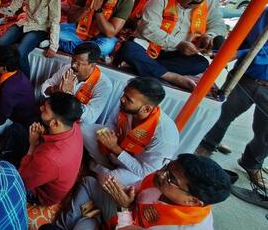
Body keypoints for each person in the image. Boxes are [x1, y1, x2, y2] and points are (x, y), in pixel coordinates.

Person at [46, 154, 231, 229]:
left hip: (125, 222)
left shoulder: (187, 226)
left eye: (171, 178)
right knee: (89, 182)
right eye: (166, 166)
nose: (160, 173)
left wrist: (123, 208)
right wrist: (125, 199)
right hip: (124, 215)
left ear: (192, 201)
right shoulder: (159, 180)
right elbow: (132, 194)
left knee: (84, 225)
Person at [120, 0, 227, 91]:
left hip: (176, 55)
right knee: (129, 49)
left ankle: (141, 67)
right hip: (148, 48)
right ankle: (172, 77)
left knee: (201, 63)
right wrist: (178, 44)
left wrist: (210, 36)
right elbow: (148, 29)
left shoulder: (210, 1)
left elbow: (218, 25)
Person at [195, 7, 267, 190]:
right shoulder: (262, 13)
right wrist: (226, 49)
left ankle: (251, 163)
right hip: (246, 77)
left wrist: (239, 54)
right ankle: (205, 150)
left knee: (266, 133)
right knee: (221, 115)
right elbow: (244, 39)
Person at [82, 77, 179, 186]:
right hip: (116, 151)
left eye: (128, 99)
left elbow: (145, 173)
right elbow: (111, 123)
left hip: (135, 171)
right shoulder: (126, 105)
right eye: (124, 94)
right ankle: (102, 167)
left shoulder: (165, 135)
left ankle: (95, 168)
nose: (122, 99)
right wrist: (109, 136)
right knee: (84, 130)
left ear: (146, 109)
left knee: (112, 178)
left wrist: (115, 148)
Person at [0, 0, 61, 77]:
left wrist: (53, 46)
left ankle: (25, 85)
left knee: (21, 52)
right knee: (1, 43)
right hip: (25, 22)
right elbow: (13, 8)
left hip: (40, 27)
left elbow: (54, 18)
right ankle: (8, 76)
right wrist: (1, 8)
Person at [18, 93, 84, 206]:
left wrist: (32, 146)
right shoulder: (74, 127)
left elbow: (22, 182)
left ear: (55, 123)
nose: (41, 108)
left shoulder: (49, 158)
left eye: (45, 110)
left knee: (2, 166)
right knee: (18, 130)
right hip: (49, 168)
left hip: (40, 194)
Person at [40, 42, 112, 124]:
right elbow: (44, 88)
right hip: (55, 116)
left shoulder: (104, 85)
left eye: (79, 63)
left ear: (92, 65)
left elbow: (90, 118)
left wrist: (69, 96)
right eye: (73, 60)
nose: (73, 65)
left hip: (76, 126)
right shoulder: (67, 68)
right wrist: (56, 89)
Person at [0, 45, 38, 135]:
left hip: (17, 122)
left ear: (4, 68)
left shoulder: (8, 89)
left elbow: (0, 120)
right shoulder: (17, 73)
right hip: (22, 114)